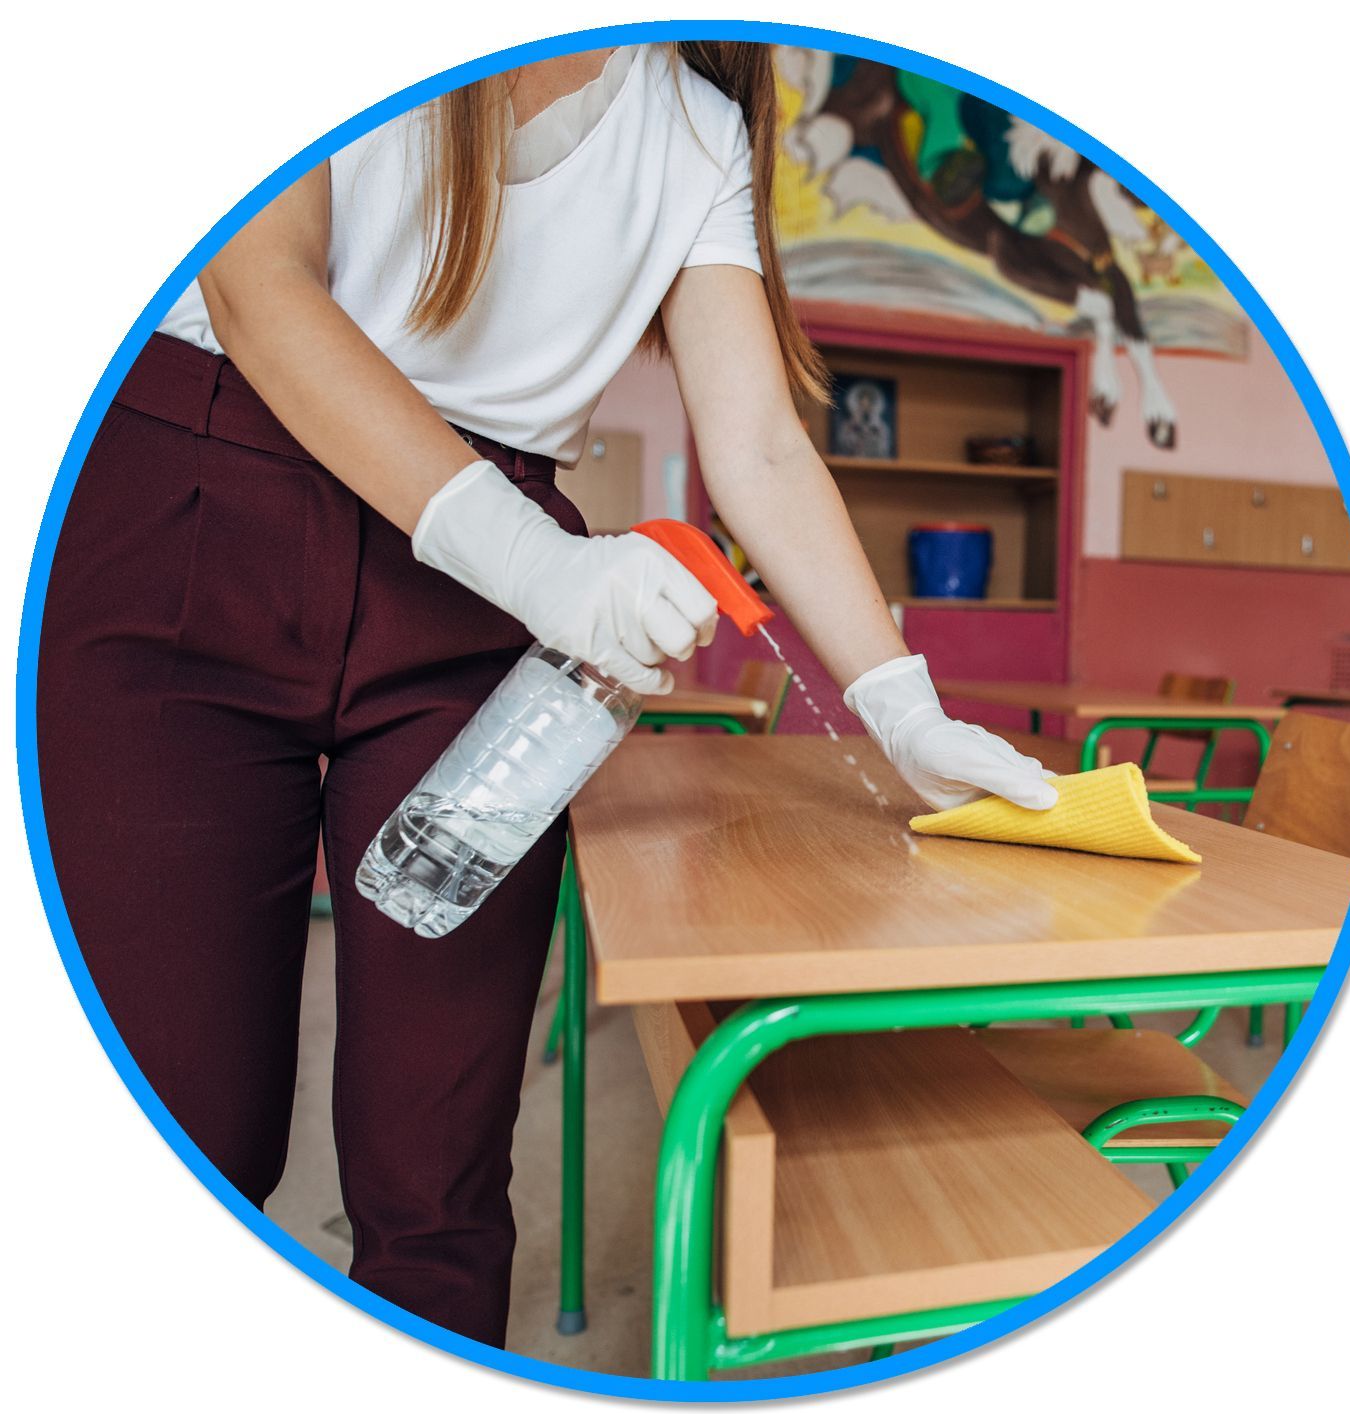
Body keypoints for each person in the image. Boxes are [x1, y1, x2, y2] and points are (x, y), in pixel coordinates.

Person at [36, 42, 1055, 1347]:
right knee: (181, 1117)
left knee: (437, 1167)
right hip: (192, 516)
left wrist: (902, 705)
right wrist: (542, 567)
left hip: (474, 616)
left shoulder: (694, 126)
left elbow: (754, 441)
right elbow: (259, 290)